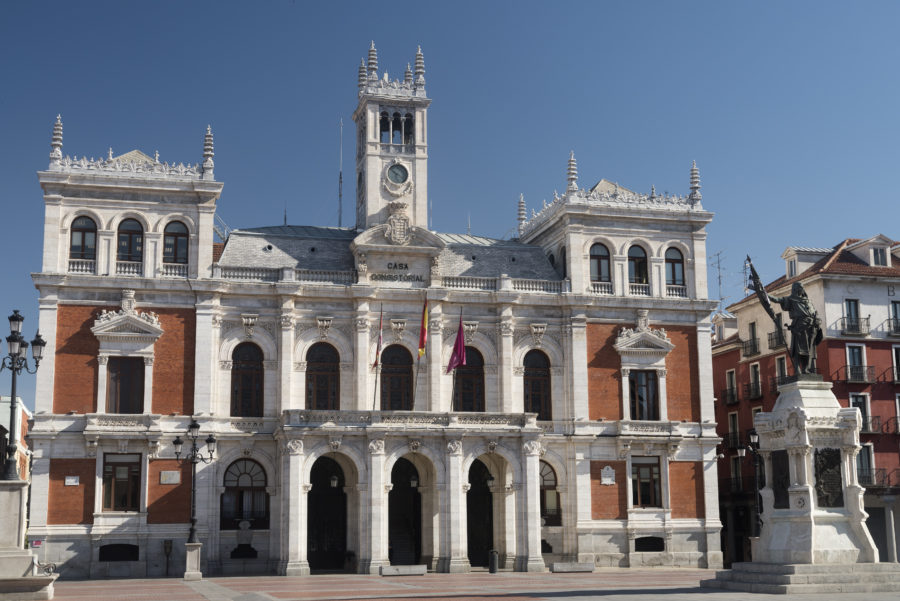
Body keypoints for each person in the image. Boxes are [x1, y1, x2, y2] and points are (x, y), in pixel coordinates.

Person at [768, 282, 822, 374]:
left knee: (809, 350)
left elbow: (814, 313)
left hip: (811, 328)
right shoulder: (791, 299)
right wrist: (765, 294)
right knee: (798, 349)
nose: (802, 289)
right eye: (800, 288)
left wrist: (818, 321)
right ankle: (797, 369)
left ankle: (805, 369)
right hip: (799, 327)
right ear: (795, 289)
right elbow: (777, 300)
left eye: (802, 288)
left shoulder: (808, 301)